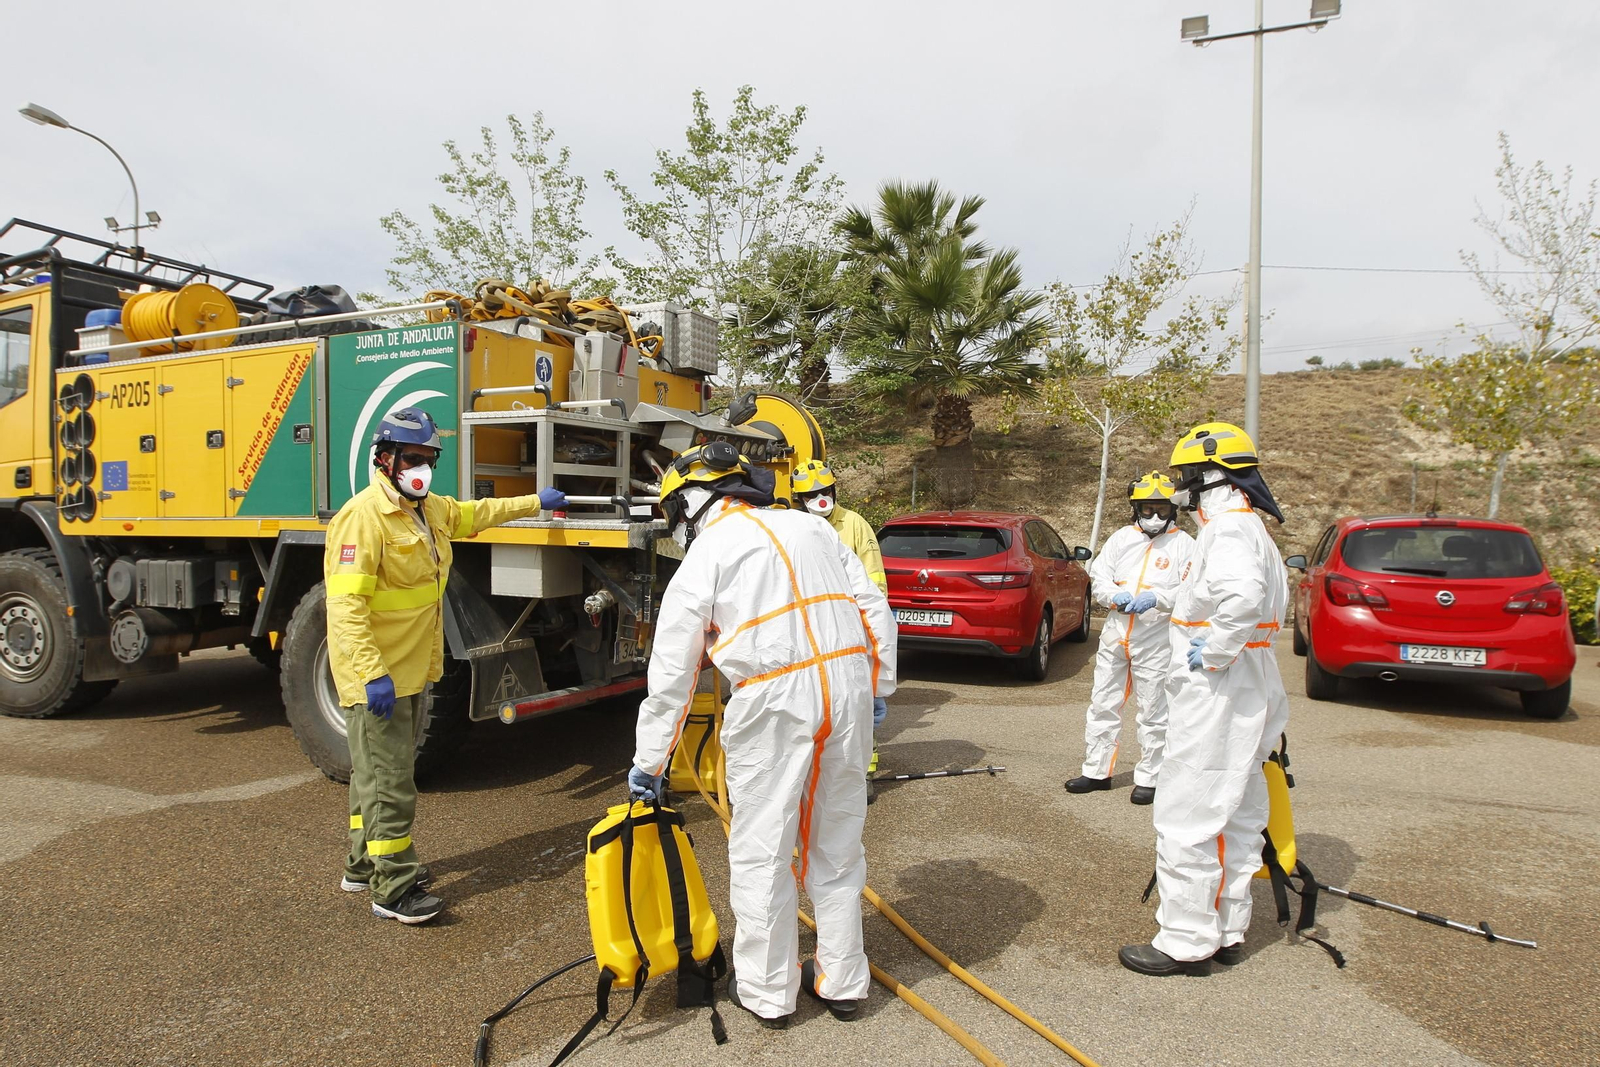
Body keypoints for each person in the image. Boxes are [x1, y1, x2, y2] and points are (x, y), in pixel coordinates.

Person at [630, 442, 896, 1027]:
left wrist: (650, 763)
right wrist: (879, 686)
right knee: (838, 842)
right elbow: (874, 605)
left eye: (674, 513)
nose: (676, 526)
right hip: (847, 689)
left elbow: (672, 673)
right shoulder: (814, 529)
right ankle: (843, 982)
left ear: (693, 501)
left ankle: (769, 993)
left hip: (774, 698)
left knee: (763, 849)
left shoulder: (706, 556)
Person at [325, 407, 566, 925]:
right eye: (413, 458)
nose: (422, 468)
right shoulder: (362, 519)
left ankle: (363, 864)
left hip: (409, 669)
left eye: (429, 459)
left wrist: (534, 502)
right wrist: (371, 673)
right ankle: (394, 889)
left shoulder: (427, 509)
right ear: (385, 459)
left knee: (373, 772)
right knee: (391, 780)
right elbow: (345, 609)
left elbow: (477, 515)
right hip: (378, 676)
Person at [1119, 422, 1290, 976]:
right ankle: (1228, 929)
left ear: (1208, 476)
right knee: (1238, 811)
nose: (1177, 491)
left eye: (1183, 478)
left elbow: (1241, 599)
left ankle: (1186, 942)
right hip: (1250, 678)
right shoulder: (1250, 529)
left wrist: (1213, 651)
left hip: (1222, 683)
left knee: (1188, 811)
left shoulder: (1230, 532)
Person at [1065, 472, 1195, 805]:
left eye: (1161, 510)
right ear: (1135, 508)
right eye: (1147, 509)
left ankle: (1150, 777)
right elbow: (1100, 574)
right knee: (1103, 703)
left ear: (1172, 511)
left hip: (1156, 637)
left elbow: (1193, 590)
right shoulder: (1122, 538)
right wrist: (1114, 596)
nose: (1154, 517)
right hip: (1116, 633)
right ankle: (1097, 771)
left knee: (1153, 709)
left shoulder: (1184, 545)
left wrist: (1159, 598)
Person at [790, 459, 891, 772]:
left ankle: (864, 769)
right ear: (798, 500)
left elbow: (875, 579)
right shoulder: (793, 526)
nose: (820, 499)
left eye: (825, 491)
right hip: (810, 630)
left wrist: (869, 628)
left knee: (858, 702)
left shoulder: (854, 524)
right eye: (811, 495)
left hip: (849, 628)